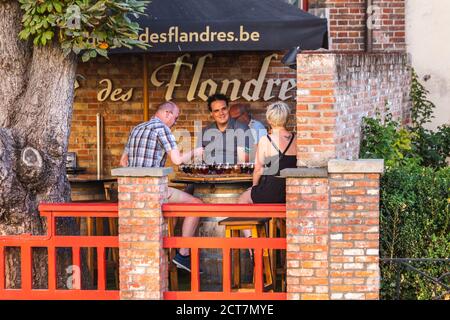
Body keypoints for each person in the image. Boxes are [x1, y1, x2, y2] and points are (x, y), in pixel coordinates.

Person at [119, 101, 203, 273]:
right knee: (196, 205)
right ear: (167, 113)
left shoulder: (137, 128)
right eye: (176, 118)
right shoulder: (162, 129)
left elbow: (123, 162)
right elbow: (178, 160)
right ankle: (183, 254)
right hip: (153, 190)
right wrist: (195, 152)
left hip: (132, 193)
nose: (175, 122)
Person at [238, 101, 297, 205]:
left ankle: (257, 221)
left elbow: (258, 170)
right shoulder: (296, 139)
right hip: (292, 191)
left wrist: (254, 187)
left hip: (272, 192)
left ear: (269, 120)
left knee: (243, 199)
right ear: (287, 119)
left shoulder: (265, 140)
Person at [199, 94, 254, 165]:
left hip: (233, 173)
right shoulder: (205, 131)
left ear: (228, 108)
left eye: (223, 109)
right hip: (209, 173)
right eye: (216, 111)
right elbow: (199, 155)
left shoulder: (242, 128)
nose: (221, 113)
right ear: (211, 113)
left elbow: (246, 157)